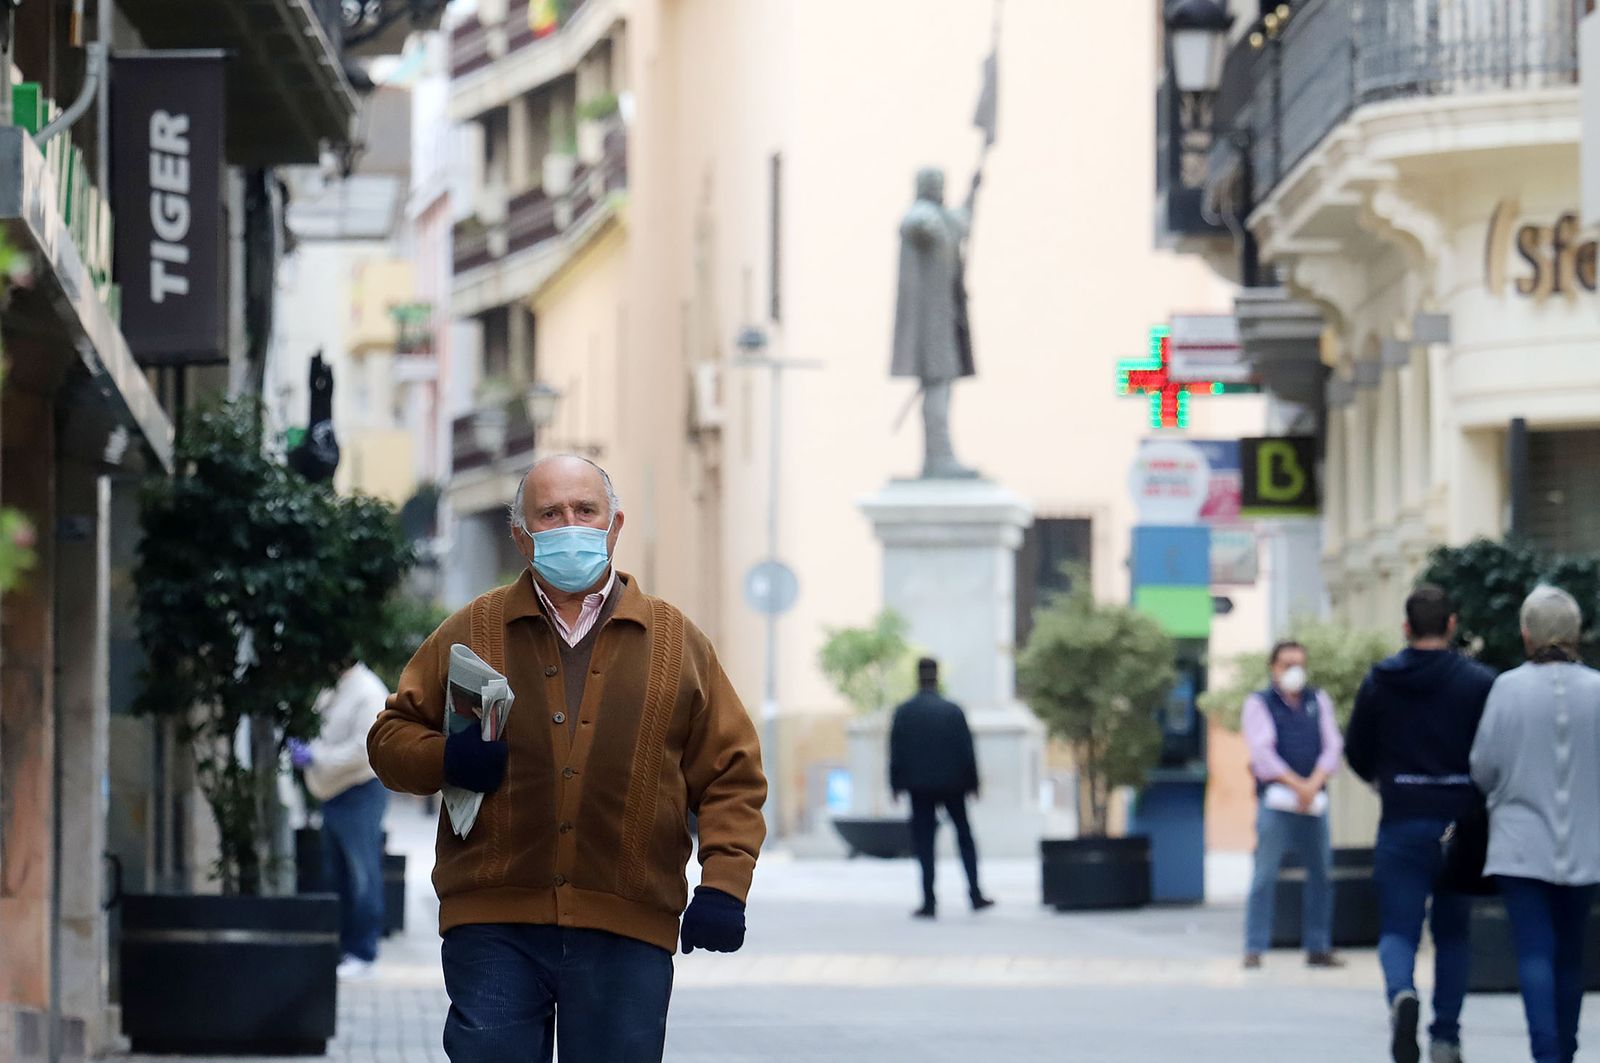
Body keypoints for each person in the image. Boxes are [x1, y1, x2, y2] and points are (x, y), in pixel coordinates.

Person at [368, 455, 767, 1063]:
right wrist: (446, 757)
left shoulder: (675, 640)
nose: (570, 525)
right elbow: (389, 738)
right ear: (520, 533)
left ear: (615, 524)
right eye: (549, 514)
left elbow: (731, 775)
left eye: (586, 510)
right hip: (493, 922)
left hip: (627, 927)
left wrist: (725, 887)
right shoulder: (470, 630)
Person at [1346, 585, 1495, 1063]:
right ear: (1451, 624)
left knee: (1398, 928)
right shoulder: (1479, 683)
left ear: (1406, 627)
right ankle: (1446, 1036)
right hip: (1460, 822)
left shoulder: (1379, 681)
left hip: (1402, 816)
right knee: (1453, 931)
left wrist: (1382, 779)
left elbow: (1356, 751)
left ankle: (1401, 994)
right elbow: (1493, 752)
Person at [1471, 585, 1600, 1063]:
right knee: (1570, 954)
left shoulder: (1507, 688)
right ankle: (1565, 1052)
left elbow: (1483, 767)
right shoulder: (1598, 690)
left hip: (1520, 846)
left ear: (1527, 634)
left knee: (1534, 952)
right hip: (1588, 844)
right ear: (1576, 633)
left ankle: (1545, 1053)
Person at [1241, 640, 1346, 970]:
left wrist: (1313, 782)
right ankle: (1254, 946)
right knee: (1264, 875)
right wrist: (1297, 784)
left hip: (1313, 801)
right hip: (1276, 802)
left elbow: (1332, 745)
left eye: (1299, 664)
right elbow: (1262, 752)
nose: (1293, 671)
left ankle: (1318, 946)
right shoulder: (1259, 703)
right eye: (1286, 664)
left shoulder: (1318, 700)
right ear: (1273, 668)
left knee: (1321, 875)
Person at [288, 660, 391, 980]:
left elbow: (365, 749)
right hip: (333, 793)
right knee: (339, 875)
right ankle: (347, 948)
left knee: (362, 874)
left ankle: (364, 951)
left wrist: (316, 757)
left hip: (360, 791)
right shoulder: (335, 685)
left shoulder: (368, 690)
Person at [892, 166, 980, 479]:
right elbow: (917, 223)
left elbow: (960, 224)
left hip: (944, 321)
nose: (941, 190)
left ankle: (940, 454)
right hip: (930, 328)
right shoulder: (921, 216)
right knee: (938, 388)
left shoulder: (943, 219)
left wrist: (973, 189)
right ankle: (938, 456)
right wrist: (934, 219)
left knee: (942, 389)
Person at [889, 657, 993, 918]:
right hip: (953, 786)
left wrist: (896, 784)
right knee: (964, 838)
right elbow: (966, 749)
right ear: (937, 676)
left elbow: (896, 751)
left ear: (918, 676)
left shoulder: (905, 711)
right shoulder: (952, 711)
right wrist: (973, 783)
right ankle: (974, 893)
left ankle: (929, 901)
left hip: (919, 787)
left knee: (924, 844)